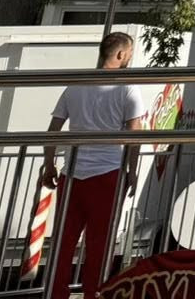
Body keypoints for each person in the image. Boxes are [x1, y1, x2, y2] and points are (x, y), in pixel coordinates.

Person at [41, 32, 153, 299]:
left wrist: (49, 165)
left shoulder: (76, 84)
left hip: (72, 173)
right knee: (98, 245)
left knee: (63, 242)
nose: (130, 58)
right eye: (130, 53)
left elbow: (53, 130)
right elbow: (134, 134)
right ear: (120, 54)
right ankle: (95, 293)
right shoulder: (127, 87)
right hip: (107, 173)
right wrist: (133, 171)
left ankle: (56, 293)